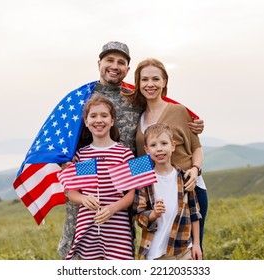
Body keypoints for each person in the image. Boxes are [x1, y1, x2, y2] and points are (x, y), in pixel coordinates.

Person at [57, 41, 205, 258]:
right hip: (92, 193)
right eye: (109, 60)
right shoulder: (80, 99)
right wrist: (64, 160)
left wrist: (196, 127)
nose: (114, 66)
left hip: (162, 186)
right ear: (99, 63)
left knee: (177, 245)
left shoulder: (135, 100)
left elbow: (169, 112)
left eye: (121, 62)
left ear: (127, 69)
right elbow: (61, 140)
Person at [130, 58, 208, 257]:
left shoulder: (179, 111)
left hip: (188, 188)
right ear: (138, 83)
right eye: (144, 79)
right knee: (158, 249)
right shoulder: (138, 117)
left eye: (156, 79)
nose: (150, 84)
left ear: (164, 82)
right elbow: (142, 160)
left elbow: (197, 148)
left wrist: (195, 169)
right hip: (158, 193)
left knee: (187, 250)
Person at [64, 94, 136, 260]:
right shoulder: (82, 155)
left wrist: (113, 208)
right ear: (86, 122)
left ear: (112, 121)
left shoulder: (124, 153)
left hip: (117, 226)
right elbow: (72, 193)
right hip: (88, 227)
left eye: (104, 116)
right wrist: (83, 199)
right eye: (93, 116)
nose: (99, 120)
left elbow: (131, 194)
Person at [133, 123, 202, 260]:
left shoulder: (185, 178)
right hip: (155, 253)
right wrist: (153, 214)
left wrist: (196, 244)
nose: (159, 149)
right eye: (153, 145)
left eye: (164, 143)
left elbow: (195, 213)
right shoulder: (144, 182)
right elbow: (138, 216)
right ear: (147, 150)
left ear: (173, 146)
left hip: (183, 249)